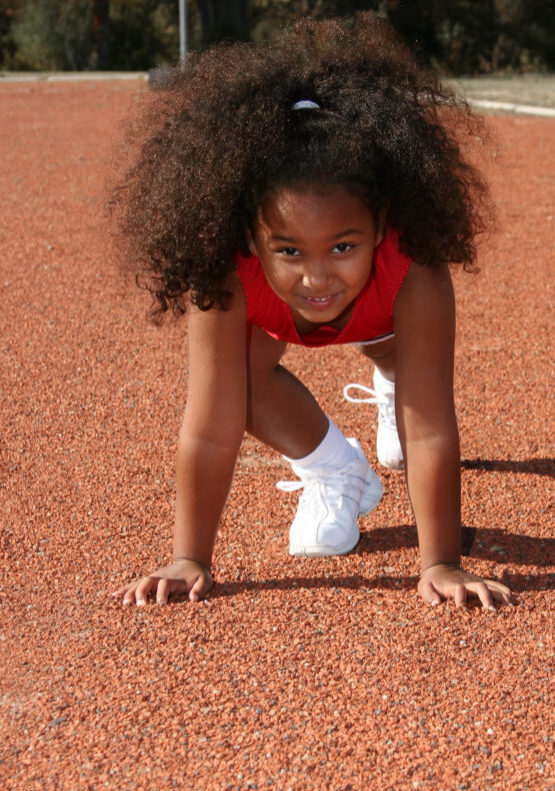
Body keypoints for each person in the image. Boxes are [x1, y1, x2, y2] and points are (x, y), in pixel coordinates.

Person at [111, 15, 512, 611]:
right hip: (284, 322)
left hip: (386, 322)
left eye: (343, 247)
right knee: (236, 383)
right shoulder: (228, 276)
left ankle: (389, 373)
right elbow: (211, 424)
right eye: (290, 250)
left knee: (404, 384)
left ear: (382, 228)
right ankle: (337, 468)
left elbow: (427, 425)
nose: (317, 276)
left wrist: (442, 563)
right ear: (250, 238)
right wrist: (189, 557)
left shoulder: (416, 268)